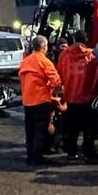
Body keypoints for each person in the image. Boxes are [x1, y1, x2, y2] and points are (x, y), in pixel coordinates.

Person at [19, 35, 63, 166]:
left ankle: (30, 155)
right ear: (44, 47)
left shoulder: (25, 61)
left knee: (30, 130)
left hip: (27, 101)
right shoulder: (44, 61)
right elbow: (56, 80)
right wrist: (54, 87)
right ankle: (37, 158)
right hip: (41, 100)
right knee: (40, 130)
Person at [56, 30, 98, 161]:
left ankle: (72, 151)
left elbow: (59, 73)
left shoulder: (64, 54)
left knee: (72, 127)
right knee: (88, 127)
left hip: (71, 95)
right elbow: (97, 76)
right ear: (86, 40)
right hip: (87, 96)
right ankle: (88, 151)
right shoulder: (92, 56)